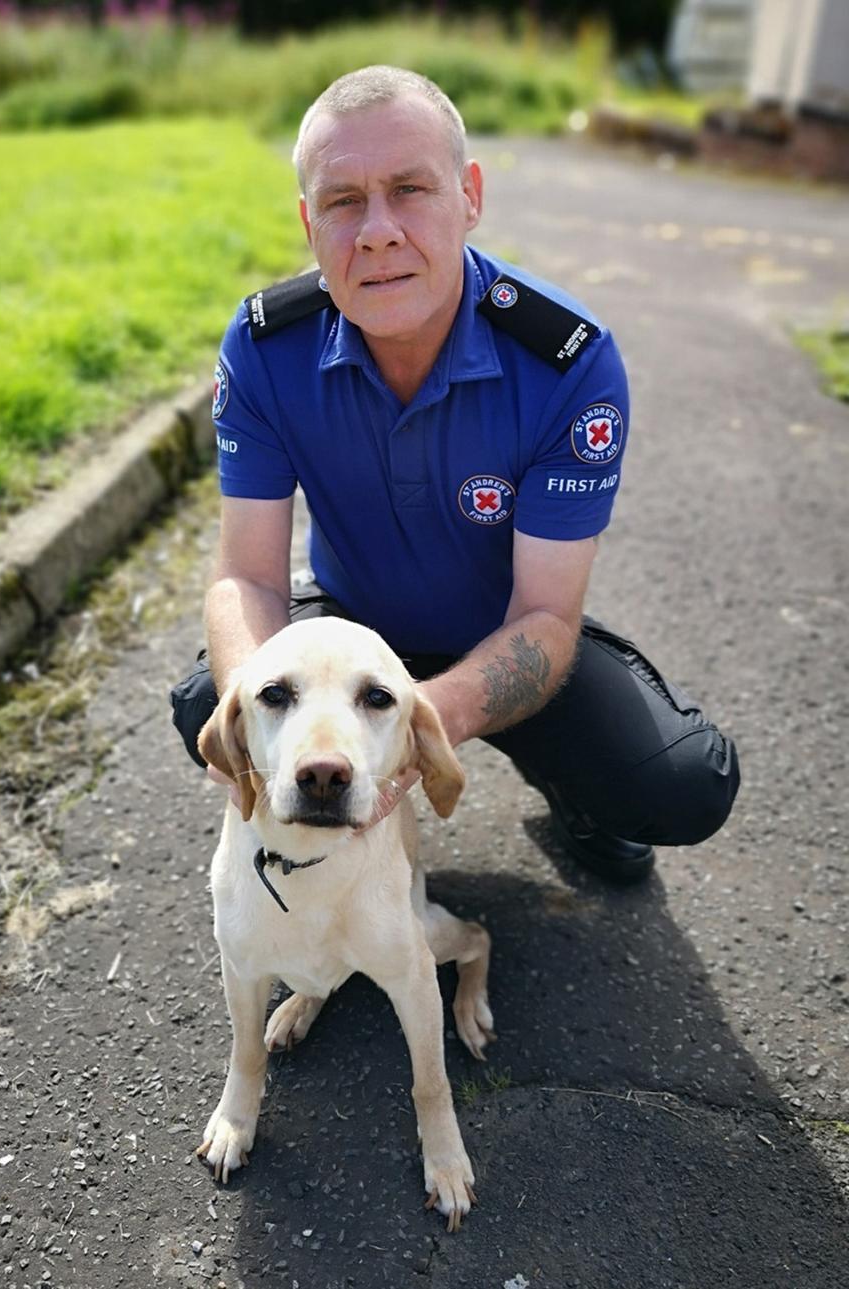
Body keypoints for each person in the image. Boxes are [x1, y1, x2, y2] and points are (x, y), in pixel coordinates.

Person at [171, 65, 739, 884]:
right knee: (207, 702)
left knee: (683, 785)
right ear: (308, 221)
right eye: (342, 201)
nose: (376, 231)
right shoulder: (266, 347)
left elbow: (546, 615)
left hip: (505, 630)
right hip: (353, 628)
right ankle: (335, 850)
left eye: (410, 189)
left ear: (470, 195)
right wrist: (262, 719)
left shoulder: (566, 362)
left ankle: (577, 798)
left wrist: (419, 720)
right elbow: (245, 575)